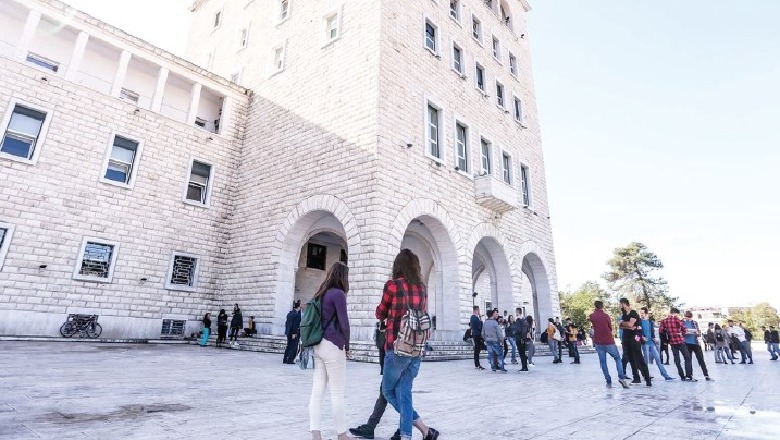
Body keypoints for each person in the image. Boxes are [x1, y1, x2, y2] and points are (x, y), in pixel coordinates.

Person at [376, 249, 440, 440]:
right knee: (404, 392)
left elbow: (380, 313)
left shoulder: (392, 286)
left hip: (396, 347)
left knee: (388, 391)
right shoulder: (422, 288)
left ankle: (420, 429)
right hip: (416, 349)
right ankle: (414, 434)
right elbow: (423, 314)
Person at [309, 262, 351, 440]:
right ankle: (342, 434)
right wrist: (347, 346)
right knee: (336, 393)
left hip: (318, 346)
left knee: (317, 391)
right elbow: (344, 323)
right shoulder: (338, 294)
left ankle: (315, 434)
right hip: (333, 346)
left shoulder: (321, 293)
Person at [349, 320, 396, 440]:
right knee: (385, 395)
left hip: (396, 363)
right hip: (389, 364)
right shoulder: (386, 329)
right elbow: (380, 345)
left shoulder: (395, 324)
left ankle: (413, 428)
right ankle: (370, 427)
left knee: (400, 398)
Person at [589, 300, 630, 388]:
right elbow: (609, 327)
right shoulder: (606, 316)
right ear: (602, 306)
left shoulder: (592, 316)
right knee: (617, 358)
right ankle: (621, 377)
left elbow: (593, 323)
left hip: (598, 341)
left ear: (595, 306)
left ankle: (608, 379)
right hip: (608, 341)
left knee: (603, 362)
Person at [618, 298, 651, 386]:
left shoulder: (633, 313)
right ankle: (636, 378)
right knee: (631, 359)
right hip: (626, 338)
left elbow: (630, 324)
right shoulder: (624, 314)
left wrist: (623, 323)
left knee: (639, 358)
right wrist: (625, 325)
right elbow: (621, 326)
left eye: (620, 304)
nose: (619, 306)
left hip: (634, 338)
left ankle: (647, 379)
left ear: (624, 304)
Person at [659, 308, 695, 381]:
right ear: (675, 313)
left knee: (677, 360)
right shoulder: (677, 319)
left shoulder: (664, 321)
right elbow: (684, 329)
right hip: (680, 341)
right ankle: (688, 375)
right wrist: (681, 334)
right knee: (687, 357)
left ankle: (681, 376)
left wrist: (668, 334)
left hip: (672, 342)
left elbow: (661, 330)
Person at [639, 307, 674, 381]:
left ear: (646, 313)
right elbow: (638, 332)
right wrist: (642, 337)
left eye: (642, 313)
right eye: (640, 313)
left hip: (652, 343)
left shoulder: (650, 322)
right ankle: (646, 375)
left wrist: (655, 338)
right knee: (646, 360)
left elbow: (652, 332)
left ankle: (665, 375)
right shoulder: (639, 321)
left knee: (658, 359)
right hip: (645, 343)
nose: (641, 314)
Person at [682, 311, 711, 380]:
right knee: (688, 360)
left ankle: (706, 375)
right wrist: (685, 332)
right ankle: (689, 375)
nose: (687, 318)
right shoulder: (682, 322)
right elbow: (680, 331)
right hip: (686, 343)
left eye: (689, 317)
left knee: (701, 359)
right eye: (686, 316)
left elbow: (698, 331)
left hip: (695, 343)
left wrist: (696, 332)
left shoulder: (694, 322)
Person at [283, 300, 302, 364]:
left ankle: (285, 359)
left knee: (288, 345)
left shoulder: (289, 314)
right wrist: (294, 333)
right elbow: (295, 325)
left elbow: (287, 323)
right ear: (298, 307)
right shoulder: (297, 315)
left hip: (288, 332)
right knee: (294, 346)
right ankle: (290, 360)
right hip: (294, 333)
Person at [469, 306, 485, 370]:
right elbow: (480, 326)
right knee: (477, 349)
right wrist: (481, 319)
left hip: (476, 334)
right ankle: (477, 364)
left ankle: (477, 364)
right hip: (477, 335)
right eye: (478, 310)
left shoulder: (473, 318)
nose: (479, 312)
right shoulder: (475, 318)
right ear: (477, 310)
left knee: (477, 349)